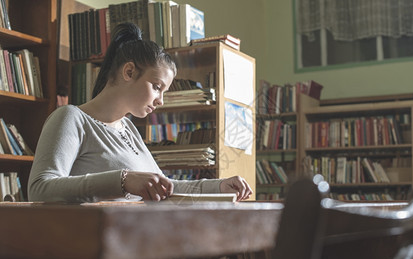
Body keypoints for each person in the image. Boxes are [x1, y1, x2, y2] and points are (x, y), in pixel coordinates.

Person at [28, 22, 253, 202]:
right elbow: (40, 189)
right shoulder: (71, 118)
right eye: (156, 87)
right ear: (129, 71)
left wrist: (220, 186)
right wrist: (123, 181)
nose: (161, 100)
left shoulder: (129, 130)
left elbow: (166, 186)